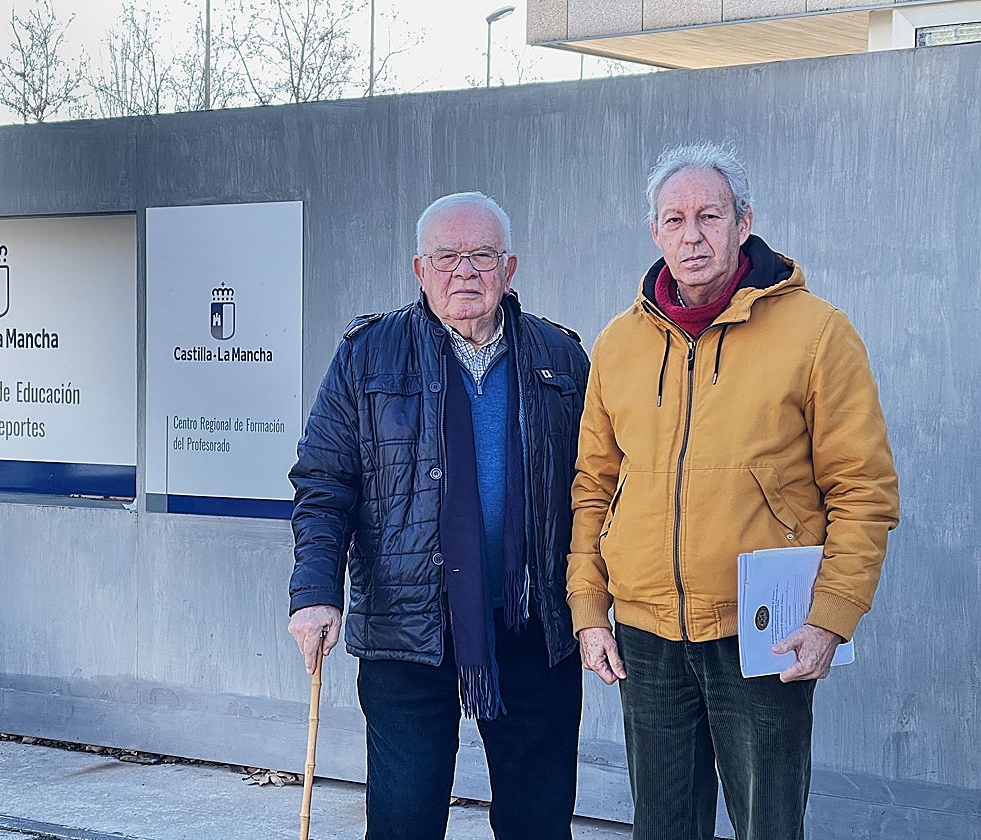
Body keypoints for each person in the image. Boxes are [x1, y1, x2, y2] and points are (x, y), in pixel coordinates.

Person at [567, 142, 900, 840]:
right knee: (662, 825)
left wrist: (832, 616)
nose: (692, 236)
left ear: (744, 223)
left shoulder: (818, 333)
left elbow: (863, 487)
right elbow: (594, 485)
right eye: (675, 219)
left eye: (710, 216)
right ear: (655, 231)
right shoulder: (619, 344)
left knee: (767, 824)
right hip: (647, 632)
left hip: (765, 628)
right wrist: (589, 607)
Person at [287, 192, 590, 839]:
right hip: (407, 625)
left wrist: (594, 605)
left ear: (510, 268)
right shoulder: (368, 355)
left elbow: (594, 488)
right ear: (420, 270)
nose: (465, 271)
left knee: (539, 822)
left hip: (532, 622)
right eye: (447, 257)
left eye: (482, 255)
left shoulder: (560, 356)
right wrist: (314, 592)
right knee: (405, 820)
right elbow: (324, 482)